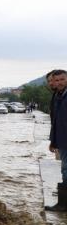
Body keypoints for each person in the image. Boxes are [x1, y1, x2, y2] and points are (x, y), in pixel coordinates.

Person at [46, 69, 67, 211]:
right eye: (56, 80)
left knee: (66, 169)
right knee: (65, 169)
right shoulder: (58, 96)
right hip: (62, 140)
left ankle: (63, 205)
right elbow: (56, 121)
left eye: (62, 80)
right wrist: (53, 141)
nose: (58, 83)